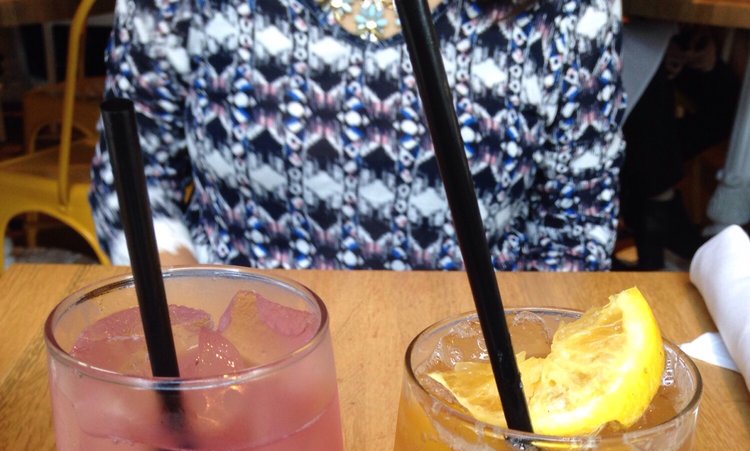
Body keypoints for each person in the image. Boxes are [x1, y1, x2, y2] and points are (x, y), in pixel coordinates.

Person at [90, 0, 625, 271]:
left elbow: (577, 226)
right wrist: (191, 332)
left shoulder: (571, 10)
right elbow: (131, 175)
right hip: (235, 364)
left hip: (474, 371)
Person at [619, 25, 740, 270]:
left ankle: (644, 195)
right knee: (649, 77)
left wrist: (697, 46)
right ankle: (659, 205)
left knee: (729, 97)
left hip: (661, 32)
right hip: (617, 40)